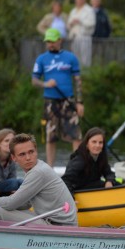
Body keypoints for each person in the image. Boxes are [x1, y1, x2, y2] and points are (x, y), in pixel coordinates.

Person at [0, 133, 78, 226]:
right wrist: (2, 202)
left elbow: (10, 203)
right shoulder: (38, 167)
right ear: (13, 158)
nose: (28, 158)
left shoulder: (38, 172)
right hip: (51, 220)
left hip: (59, 226)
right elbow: (26, 204)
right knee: (1, 208)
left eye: (31, 152)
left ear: (36, 151)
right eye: (22, 154)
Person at [32, 28, 84, 167]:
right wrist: (45, 83)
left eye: (53, 41)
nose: (50, 44)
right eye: (48, 41)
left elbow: (78, 81)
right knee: (51, 136)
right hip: (50, 101)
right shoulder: (41, 59)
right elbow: (34, 80)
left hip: (68, 101)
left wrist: (80, 102)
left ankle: (76, 166)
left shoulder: (71, 58)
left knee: (76, 135)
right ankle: (50, 168)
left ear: (59, 40)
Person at [61, 127, 117, 193]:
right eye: (94, 142)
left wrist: (109, 181)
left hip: (93, 186)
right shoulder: (79, 160)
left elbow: (109, 173)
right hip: (79, 191)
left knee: (117, 185)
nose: (97, 145)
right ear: (87, 144)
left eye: (100, 142)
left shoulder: (101, 157)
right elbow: (66, 180)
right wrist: (70, 198)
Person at [67, 0, 96, 67]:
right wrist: (71, 23)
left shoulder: (89, 10)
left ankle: (86, 75)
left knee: (85, 58)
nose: (77, 1)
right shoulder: (73, 11)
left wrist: (80, 21)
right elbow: (68, 24)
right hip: (74, 37)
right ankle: (76, 74)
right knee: (75, 57)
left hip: (84, 37)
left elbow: (91, 23)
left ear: (83, 0)